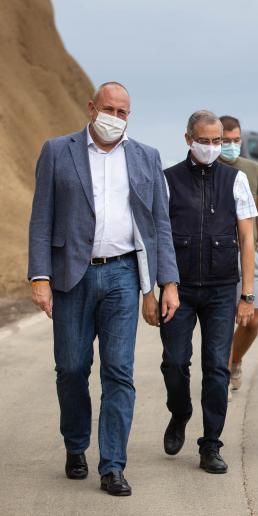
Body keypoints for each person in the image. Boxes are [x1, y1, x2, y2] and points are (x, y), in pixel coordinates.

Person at [27, 82, 179, 496]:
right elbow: (41, 218)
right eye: (109, 108)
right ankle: (76, 444)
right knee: (72, 368)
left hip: (123, 276)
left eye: (123, 112)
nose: (115, 117)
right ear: (92, 107)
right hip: (71, 277)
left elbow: (159, 225)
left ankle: (113, 465)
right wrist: (40, 276)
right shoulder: (58, 151)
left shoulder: (146, 157)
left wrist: (168, 282)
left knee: (118, 373)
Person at [160, 110, 256, 474]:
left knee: (217, 368)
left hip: (220, 289)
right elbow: (157, 235)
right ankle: (180, 411)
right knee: (174, 362)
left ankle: (211, 444)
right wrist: (157, 288)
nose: (213, 147)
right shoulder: (168, 179)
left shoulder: (236, 180)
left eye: (218, 141)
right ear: (188, 139)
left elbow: (247, 238)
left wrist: (246, 295)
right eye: (205, 141)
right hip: (178, 289)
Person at [219, 115, 258, 394]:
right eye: (225, 141)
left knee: (252, 321)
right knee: (224, 320)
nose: (230, 145)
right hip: (219, 256)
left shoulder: (253, 169)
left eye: (235, 140)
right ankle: (222, 373)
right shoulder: (210, 168)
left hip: (251, 255)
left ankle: (235, 359)